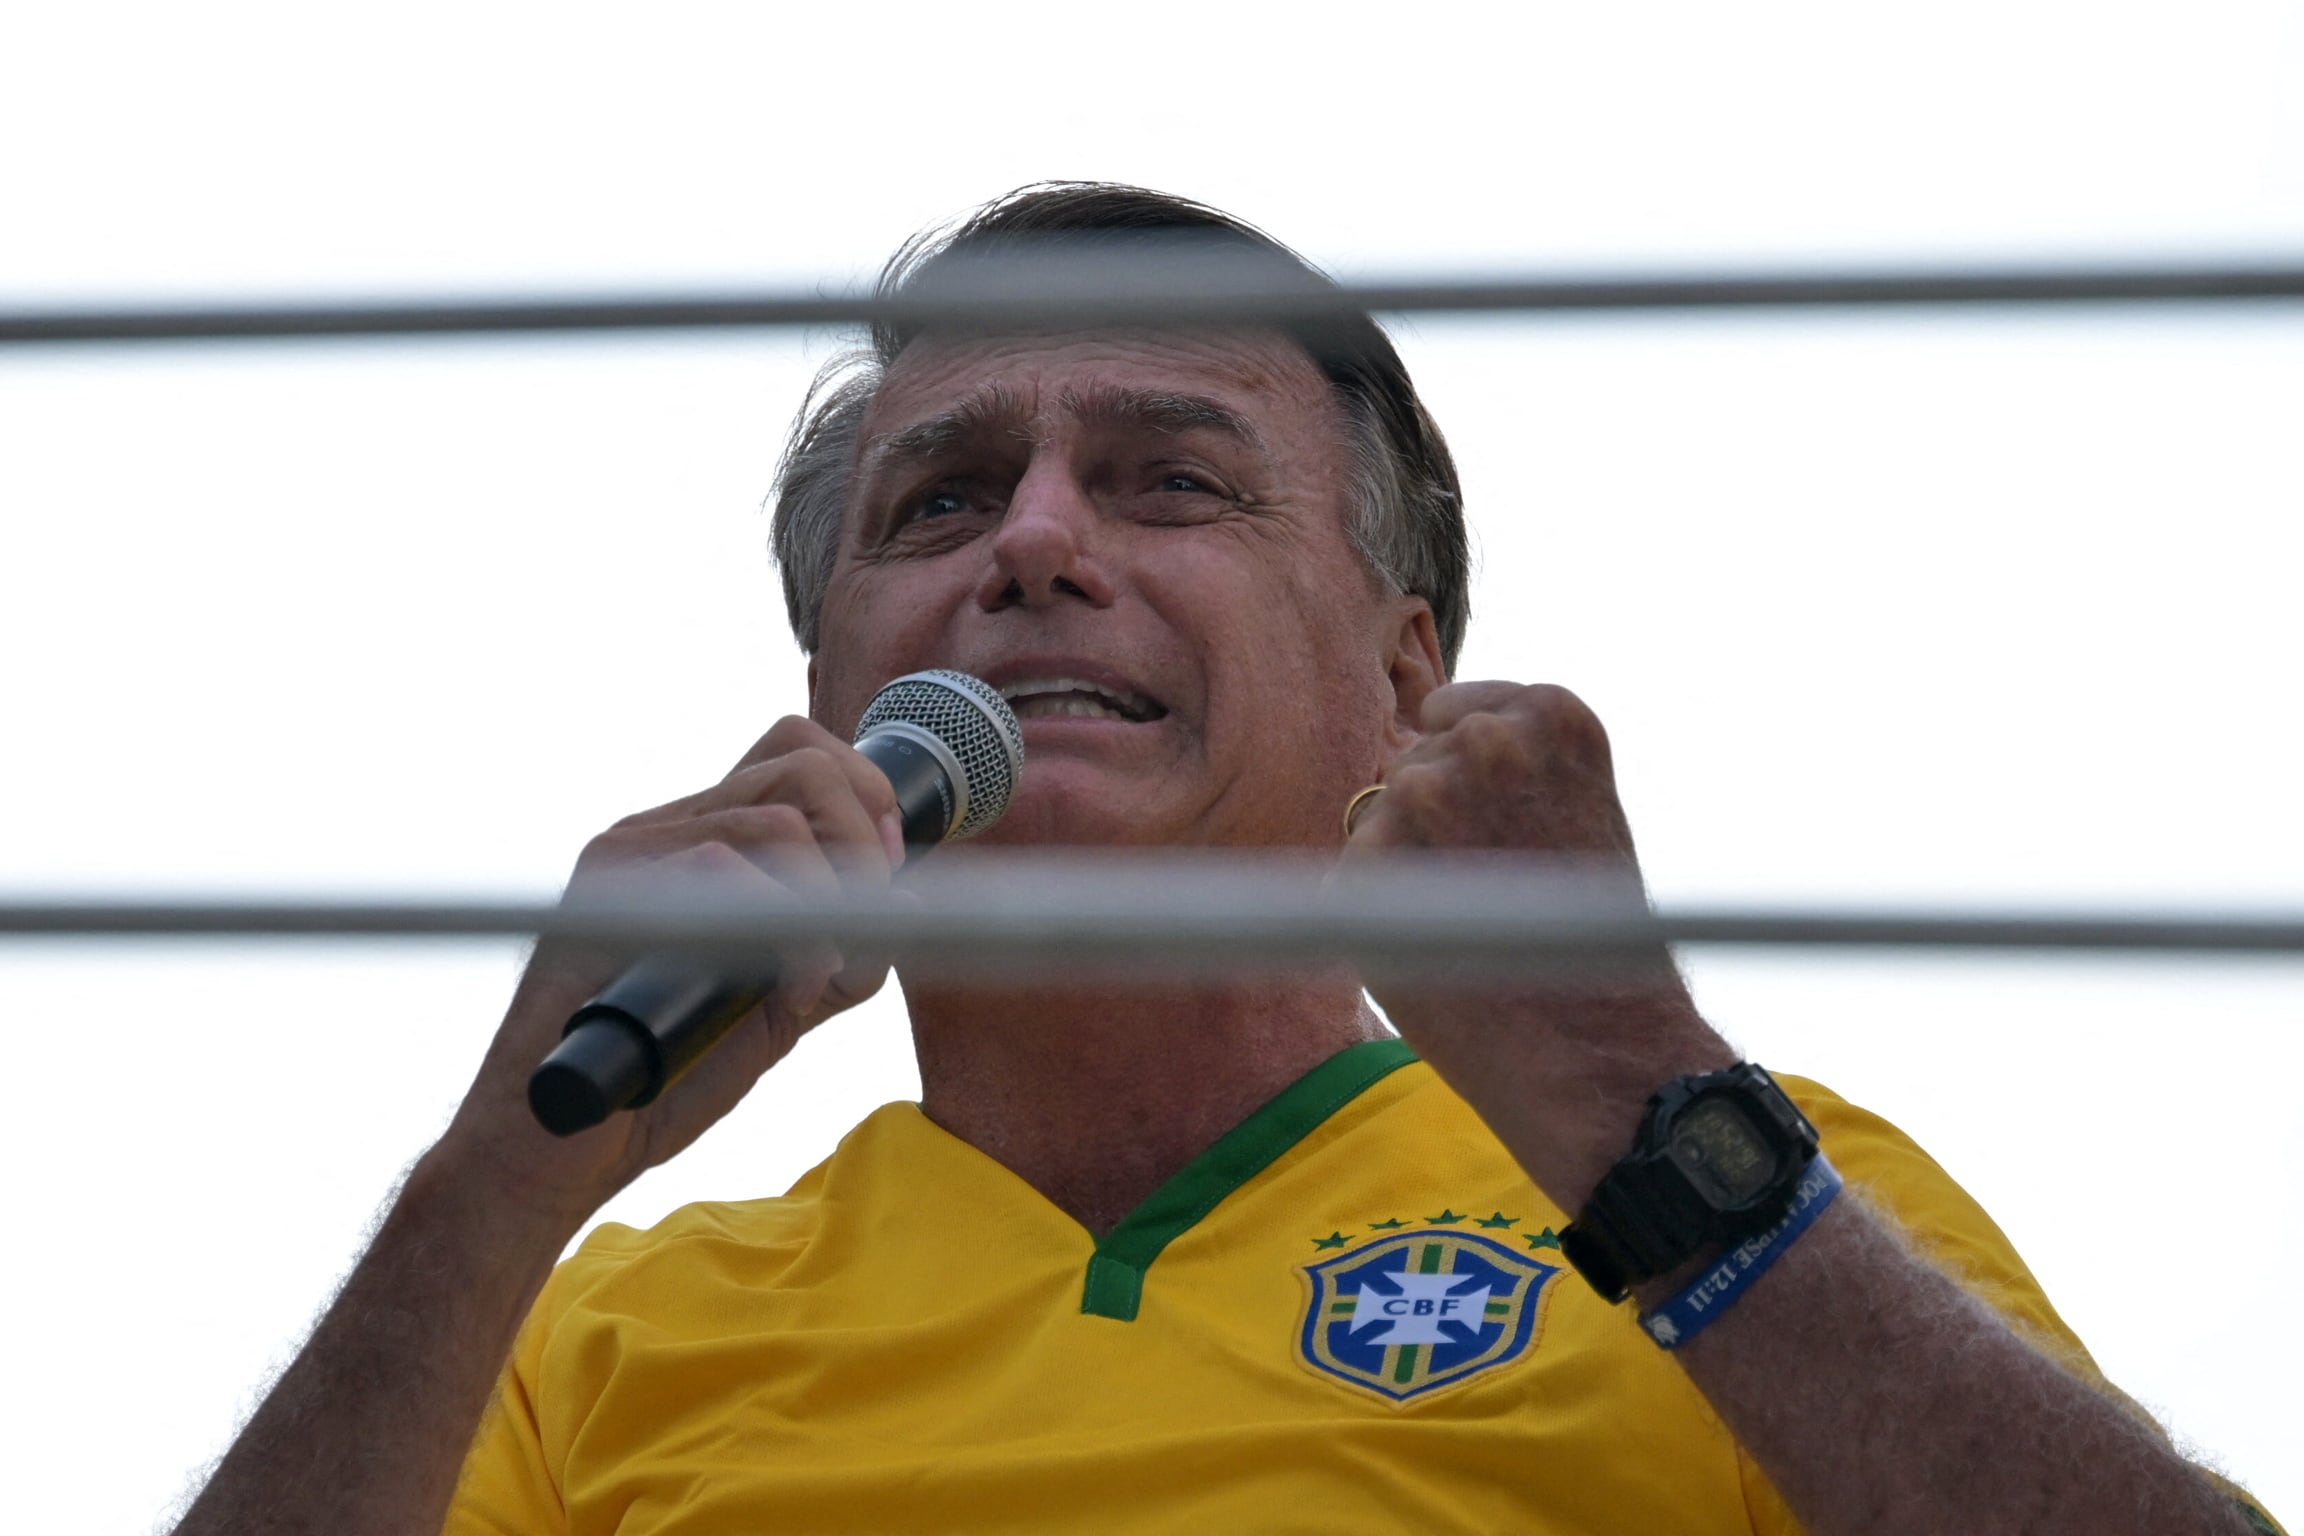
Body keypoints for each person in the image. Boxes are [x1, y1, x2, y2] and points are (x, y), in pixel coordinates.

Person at [172, 183, 2282, 1536]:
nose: (1036, 544)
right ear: (827, 703)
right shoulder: (595, 1325)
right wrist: (496, 1182)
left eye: (1171, 477)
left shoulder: (1738, 1195)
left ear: (1404, 680)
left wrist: (1637, 1097)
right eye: (940, 506)